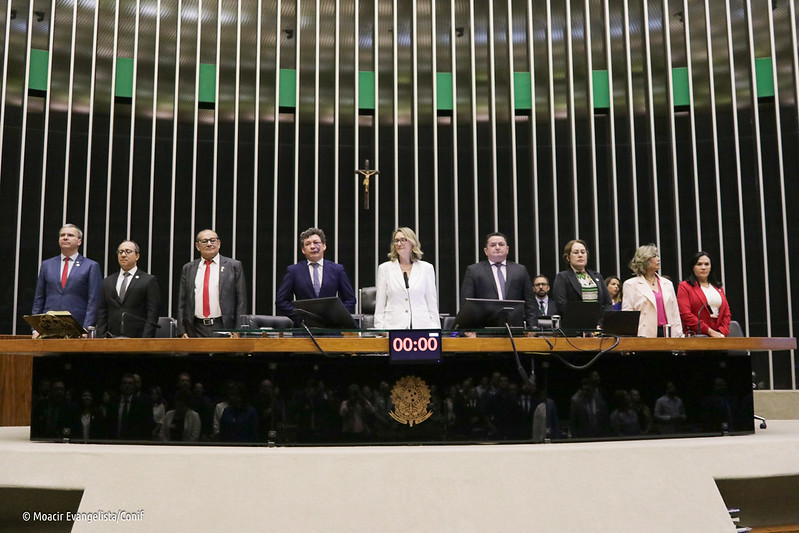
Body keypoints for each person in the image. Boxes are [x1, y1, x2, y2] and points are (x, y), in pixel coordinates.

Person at [275, 227, 356, 325]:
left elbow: (350, 299)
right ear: (303, 250)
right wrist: (300, 317)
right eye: (308, 244)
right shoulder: (293, 271)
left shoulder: (337, 269)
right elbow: (281, 301)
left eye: (316, 242)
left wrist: (336, 316)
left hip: (331, 329)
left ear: (324, 246)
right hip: (304, 329)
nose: (312, 246)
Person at [32, 224, 103, 333]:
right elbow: (39, 298)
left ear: (79, 241)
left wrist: (87, 328)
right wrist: (35, 328)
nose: (65, 237)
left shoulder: (91, 266)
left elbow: (94, 300)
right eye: (62, 235)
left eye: (70, 235)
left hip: (77, 326)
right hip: (48, 325)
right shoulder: (47, 265)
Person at [177, 229, 247, 337]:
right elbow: (182, 302)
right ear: (197, 246)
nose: (209, 244)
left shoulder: (233, 266)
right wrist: (182, 331)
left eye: (212, 240)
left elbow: (241, 301)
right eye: (204, 241)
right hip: (195, 329)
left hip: (224, 327)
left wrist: (238, 330)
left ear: (219, 244)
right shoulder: (188, 268)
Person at [460, 232, 537, 327]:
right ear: (486, 251)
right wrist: (468, 328)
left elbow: (530, 302)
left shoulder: (520, 270)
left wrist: (533, 326)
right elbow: (467, 303)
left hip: (515, 328)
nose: (497, 247)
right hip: (484, 328)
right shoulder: (474, 271)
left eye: (501, 244)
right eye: (493, 245)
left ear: (507, 249)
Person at [374, 227, 441, 329]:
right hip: (393, 328)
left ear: (412, 243)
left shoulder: (427, 268)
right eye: (396, 240)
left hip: (422, 328)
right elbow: (380, 304)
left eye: (403, 240)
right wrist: (380, 329)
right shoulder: (385, 269)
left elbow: (431, 302)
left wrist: (435, 328)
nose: (399, 244)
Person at [96, 240, 161, 338]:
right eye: (120, 252)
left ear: (137, 256)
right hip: (111, 338)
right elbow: (102, 312)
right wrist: (101, 337)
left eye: (128, 251)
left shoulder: (148, 280)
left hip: (138, 338)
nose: (123, 255)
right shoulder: (108, 281)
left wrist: (145, 340)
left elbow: (152, 313)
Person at [622, 244, 683, 338]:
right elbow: (628, 315)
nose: (658, 259)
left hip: (668, 333)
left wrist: (679, 333)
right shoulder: (630, 284)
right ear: (644, 259)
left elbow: (674, 312)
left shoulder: (667, 283)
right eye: (654, 256)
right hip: (643, 335)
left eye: (658, 255)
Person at [677, 252, 732, 337]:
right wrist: (710, 332)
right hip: (697, 335)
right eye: (699, 264)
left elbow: (726, 314)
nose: (703, 267)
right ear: (693, 267)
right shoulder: (685, 286)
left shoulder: (718, 288)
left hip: (719, 335)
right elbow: (686, 315)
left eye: (706, 264)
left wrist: (721, 332)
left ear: (711, 267)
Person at [551, 239, 612, 312]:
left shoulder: (597, 276)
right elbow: (561, 304)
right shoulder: (562, 277)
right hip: (574, 321)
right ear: (568, 257)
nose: (580, 255)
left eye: (583, 252)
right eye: (576, 252)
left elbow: (608, 302)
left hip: (598, 321)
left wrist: (601, 322)